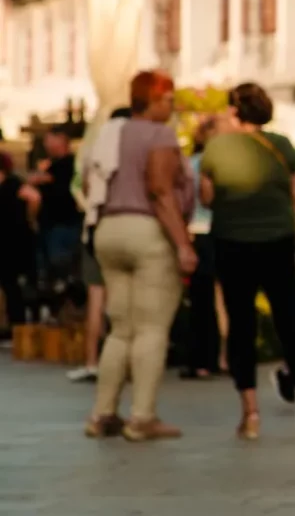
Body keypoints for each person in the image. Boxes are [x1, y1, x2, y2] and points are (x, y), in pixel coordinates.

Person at [199, 82, 295, 439]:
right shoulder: (282, 145)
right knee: (289, 321)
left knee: (241, 326)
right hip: (277, 242)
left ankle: (251, 416)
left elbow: (207, 197)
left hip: (232, 242)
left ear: (234, 110)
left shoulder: (216, 147)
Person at [84, 72, 197, 441]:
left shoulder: (110, 133)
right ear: (151, 100)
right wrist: (182, 243)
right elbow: (160, 190)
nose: (172, 107)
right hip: (147, 232)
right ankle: (142, 417)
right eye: (168, 101)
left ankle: (102, 414)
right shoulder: (158, 134)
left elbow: (89, 183)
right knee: (151, 328)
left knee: (121, 329)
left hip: (108, 229)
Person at [67, 106, 132, 384]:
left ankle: (92, 361)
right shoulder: (132, 149)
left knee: (96, 299)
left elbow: (83, 189)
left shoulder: (94, 149)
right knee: (128, 299)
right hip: (125, 226)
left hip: (94, 228)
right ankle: (127, 362)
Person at [182, 115, 224, 380]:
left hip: (198, 232)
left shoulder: (191, 164)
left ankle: (202, 360)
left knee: (201, 301)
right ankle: (224, 357)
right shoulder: (224, 163)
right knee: (225, 299)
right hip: (221, 232)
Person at [28, 125, 83, 282]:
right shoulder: (51, 165)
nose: (46, 144)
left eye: (49, 139)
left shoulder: (69, 164)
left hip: (63, 224)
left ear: (61, 139)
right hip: (50, 224)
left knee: (61, 264)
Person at [0, 153, 37, 338]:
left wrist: (30, 219)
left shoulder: (13, 183)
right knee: (8, 285)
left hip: (14, 240)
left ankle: (18, 326)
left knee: (12, 285)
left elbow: (34, 197)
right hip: (6, 240)